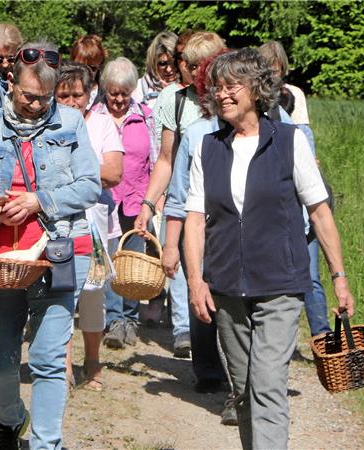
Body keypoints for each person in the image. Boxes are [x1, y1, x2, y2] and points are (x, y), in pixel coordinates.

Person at [183, 47, 355, 449]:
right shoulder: (207, 149)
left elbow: (320, 213)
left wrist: (339, 278)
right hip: (227, 288)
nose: (223, 95)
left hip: (280, 284)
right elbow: (194, 219)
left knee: (268, 384)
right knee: (243, 390)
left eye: (232, 86)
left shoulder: (289, 141)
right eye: (217, 88)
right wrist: (195, 280)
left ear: (257, 90)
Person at [0, 42, 100, 450]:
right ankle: (13, 420)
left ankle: (45, 443)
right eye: (27, 95)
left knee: (49, 360)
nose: (36, 104)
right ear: (10, 83)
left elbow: (90, 185)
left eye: (45, 98)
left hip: (60, 251)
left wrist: (40, 200)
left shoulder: (71, 123)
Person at [139, 31, 226, 376]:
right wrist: (148, 203)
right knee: (195, 277)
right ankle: (206, 368)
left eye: (197, 64)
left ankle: (234, 365)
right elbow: (165, 159)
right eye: (187, 64)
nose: (190, 71)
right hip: (190, 202)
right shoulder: (173, 100)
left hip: (226, 202)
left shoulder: (233, 96)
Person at [55, 61, 124, 391]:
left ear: (89, 94)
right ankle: (63, 362)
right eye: (64, 94)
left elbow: (114, 173)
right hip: (55, 225)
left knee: (93, 296)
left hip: (95, 224)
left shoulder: (102, 124)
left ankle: (93, 361)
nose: (71, 102)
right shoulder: (49, 124)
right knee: (60, 293)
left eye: (77, 95)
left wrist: (72, 172)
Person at [259, 40, 330, 337]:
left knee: (310, 275)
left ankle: (322, 335)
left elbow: (304, 144)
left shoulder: (293, 97)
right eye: (269, 73)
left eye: (278, 72)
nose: (274, 79)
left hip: (302, 198)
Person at [88, 57, 158, 350]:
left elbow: (155, 157)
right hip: (104, 198)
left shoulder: (144, 115)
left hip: (136, 197)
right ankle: (114, 319)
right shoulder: (93, 114)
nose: (118, 99)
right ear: (105, 89)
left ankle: (130, 316)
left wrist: (153, 199)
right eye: (113, 92)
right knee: (108, 259)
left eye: (124, 93)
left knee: (133, 259)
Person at [132, 31, 179, 105]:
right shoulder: (137, 89)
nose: (169, 69)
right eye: (163, 64)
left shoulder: (190, 89)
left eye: (173, 63)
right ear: (153, 63)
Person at [70, 35, 109, 109]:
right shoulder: (60, 89)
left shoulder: (106, 94)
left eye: (92, 68)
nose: (86, 72)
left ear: (99, 66)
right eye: (81, 67)